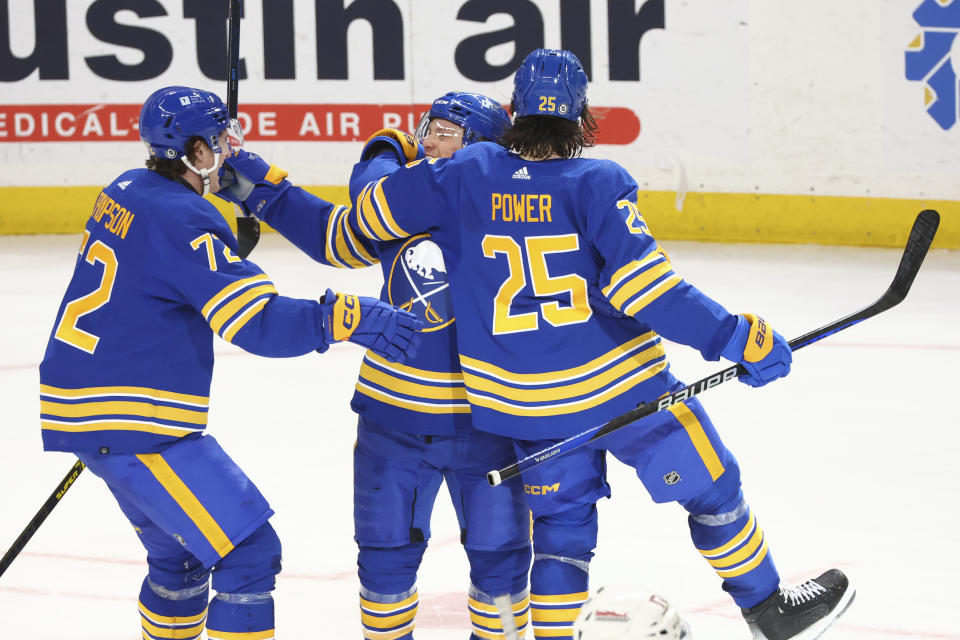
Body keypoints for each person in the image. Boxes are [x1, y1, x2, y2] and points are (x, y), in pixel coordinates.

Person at [221, 50, 856, 639]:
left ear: (514, 114)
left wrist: (358, 159)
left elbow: (359, 219)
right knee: (713, 490)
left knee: (562, 533)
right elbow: (647, 288)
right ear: (582, 116)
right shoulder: (600, 180)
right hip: (624, 390)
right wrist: (735, 336)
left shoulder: (459, 174)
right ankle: (767, 608)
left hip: (525, 409)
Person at [38, 85, 421, 640]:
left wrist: (223, 225)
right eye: (218, 140)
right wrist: (349, 317)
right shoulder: (186, 219)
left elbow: (161, 264)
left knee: (181, 560)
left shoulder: (125, 188)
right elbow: (257, 322)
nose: (230, 147)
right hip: (136, 420)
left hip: (89, 401)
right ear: (194, 152)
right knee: (249, 552)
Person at [218, 91, 534, 640]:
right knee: (436, 566)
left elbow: (359, 207)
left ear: (479, 148)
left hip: (445, 423)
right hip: (469, 420)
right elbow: (330, 234)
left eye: (441, 132)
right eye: (423, 127)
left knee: (478, 567)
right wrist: (245, 177)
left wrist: (381, 149)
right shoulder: (501, 208)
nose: (424, 139)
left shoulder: (410, 197)